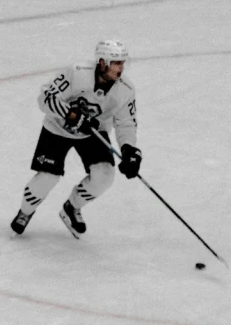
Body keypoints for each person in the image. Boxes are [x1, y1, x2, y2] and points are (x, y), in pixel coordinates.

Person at [10, 37, 140, 240]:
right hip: (57, 128)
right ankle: (25, 211)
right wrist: (72, 116)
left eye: (123, 62)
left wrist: (130, 150)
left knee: (105, 175)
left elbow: (126, 123)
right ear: (103, 62)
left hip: (92, 132)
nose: (121, 68)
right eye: (116, 63)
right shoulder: (77, 73)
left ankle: (72, 207)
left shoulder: (125, 89)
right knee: (47, 178)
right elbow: (45, 98)